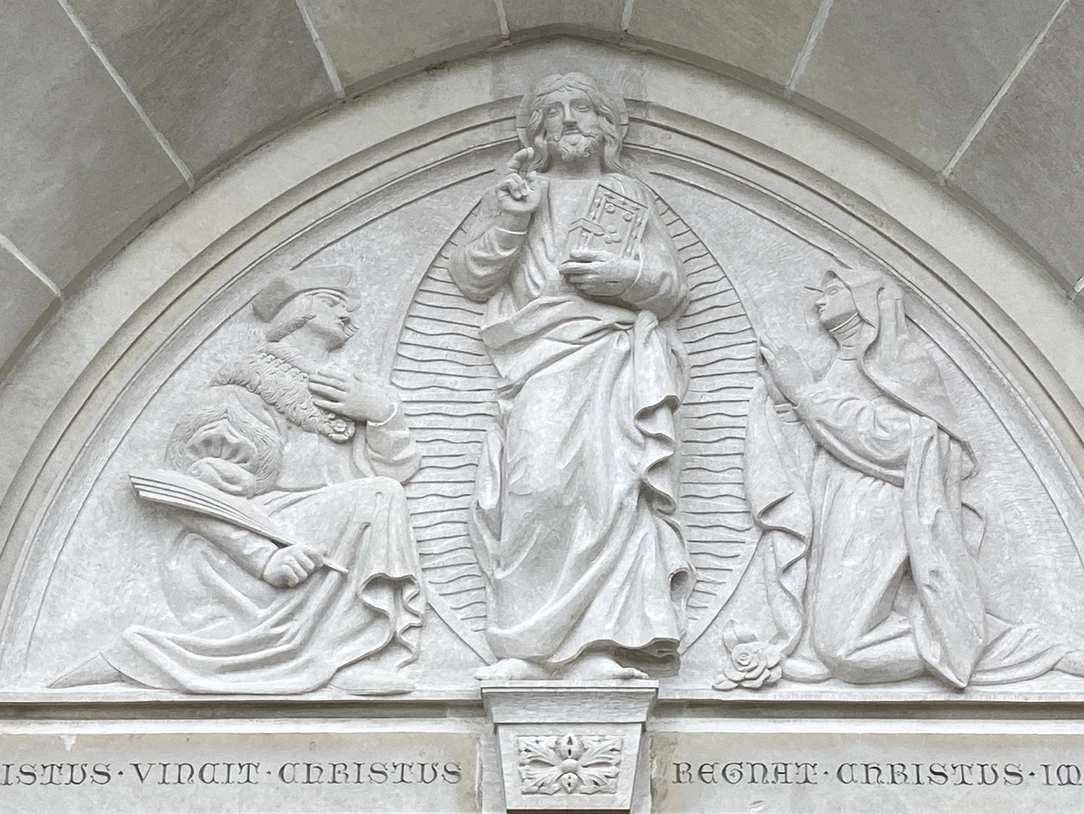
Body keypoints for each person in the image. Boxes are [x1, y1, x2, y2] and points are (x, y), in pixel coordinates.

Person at [51, 267, 425, 695]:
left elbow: (395, 469)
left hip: (333, 529)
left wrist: (381, 415)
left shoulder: (352, 390)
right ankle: (345, 650)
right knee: (379, 496)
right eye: (333, 302)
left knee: (383, 492)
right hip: (256, 531)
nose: (349, 318)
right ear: (301, 309)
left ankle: (355, 651)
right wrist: (264, 556)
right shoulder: (248, 384)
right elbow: (199, 488)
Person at [747, 265, 1084, 687]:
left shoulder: (902, 364)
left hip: (881, 509)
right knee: (832, 637)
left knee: (840, 649)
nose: (819, 301)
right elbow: (825, 440)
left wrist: (805, 393)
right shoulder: (838, 366)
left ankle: (996, 645)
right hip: (836, 507)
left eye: (833, 289)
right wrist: (785, 402)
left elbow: (909, 440)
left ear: (865, 299)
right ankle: (961, 634)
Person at [449, 72, 692, 681]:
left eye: (582, 108)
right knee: (534, 491)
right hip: (538, 358)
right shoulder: (519, 190)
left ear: (606, 125)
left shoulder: (628, 195)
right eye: (554, 112)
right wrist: (512, 220)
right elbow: (472, 276)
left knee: (609, 495)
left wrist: (622, 277)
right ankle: (526, 650)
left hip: (610, 360)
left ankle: (603, 645)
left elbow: (669, 288)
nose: (570, 120)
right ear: (538, 131)